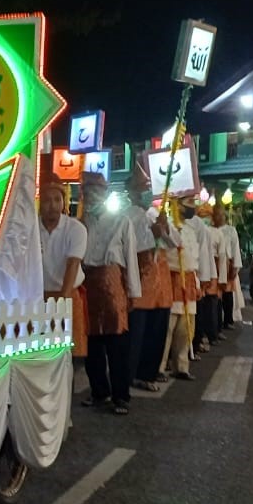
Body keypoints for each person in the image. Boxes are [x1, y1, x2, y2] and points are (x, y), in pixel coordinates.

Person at [79, 172, 140, 415]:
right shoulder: (82, 222)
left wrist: (133, 292)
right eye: (87, 190)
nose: (91, 195)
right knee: (92, 345)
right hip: (88, 285)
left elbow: (131, 259)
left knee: (117, 344)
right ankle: (99, 392)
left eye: (96, 190)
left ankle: (121, 396)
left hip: (113, 285)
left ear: (104, 193)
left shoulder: (121, 221)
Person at [125, 165, 178, 392]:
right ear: (131, 191)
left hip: (161, 283)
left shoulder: (156, 213)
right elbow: (132, 246)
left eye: (148, 187)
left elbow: (175, 243)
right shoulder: (126, 216)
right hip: (140, 281)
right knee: (137, 333)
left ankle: (149, 373)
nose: (146, 191)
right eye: (141, 187)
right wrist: (152, 235)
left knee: (157, 330)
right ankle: (130, 374)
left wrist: (164, 228)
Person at [160, 195, 207, 381]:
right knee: (168, 328)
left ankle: (181, 366)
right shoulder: (168, 225)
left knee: (186, 328)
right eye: (188, 203)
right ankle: (160, 367)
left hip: (189, 279)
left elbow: (194, 260)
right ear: (177, 206)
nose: (192, 207)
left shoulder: (190, 229)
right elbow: (172, 244)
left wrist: (198, 282)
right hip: (172, 278)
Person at [38, 182, 87, 356]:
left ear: (63, 202)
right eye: (47, 200)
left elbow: (72, 264)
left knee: (66, 357)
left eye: (57, 200)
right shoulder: (31, 229)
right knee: (41, 355)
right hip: (39, 298)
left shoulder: (75, 229)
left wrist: (61, 302)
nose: (52, 206)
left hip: (66, 295)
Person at [191, 202, 221, 354]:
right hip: (194, 274)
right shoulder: (184, 225)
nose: (206, 219)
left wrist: (207, 277)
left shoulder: (202, 228)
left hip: (200, 274)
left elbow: (206, 255)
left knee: (201, 309)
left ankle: (199, 341)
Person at [215, 204, 244, 331]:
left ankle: (228, 319)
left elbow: (235, 249)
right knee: (216, 295)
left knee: (228, 294)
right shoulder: (210, 230)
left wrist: (235, 267)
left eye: (221, 215)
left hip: (228, 265)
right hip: (215, 264)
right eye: (217, 214)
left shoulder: (231, 230)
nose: (220, 217)